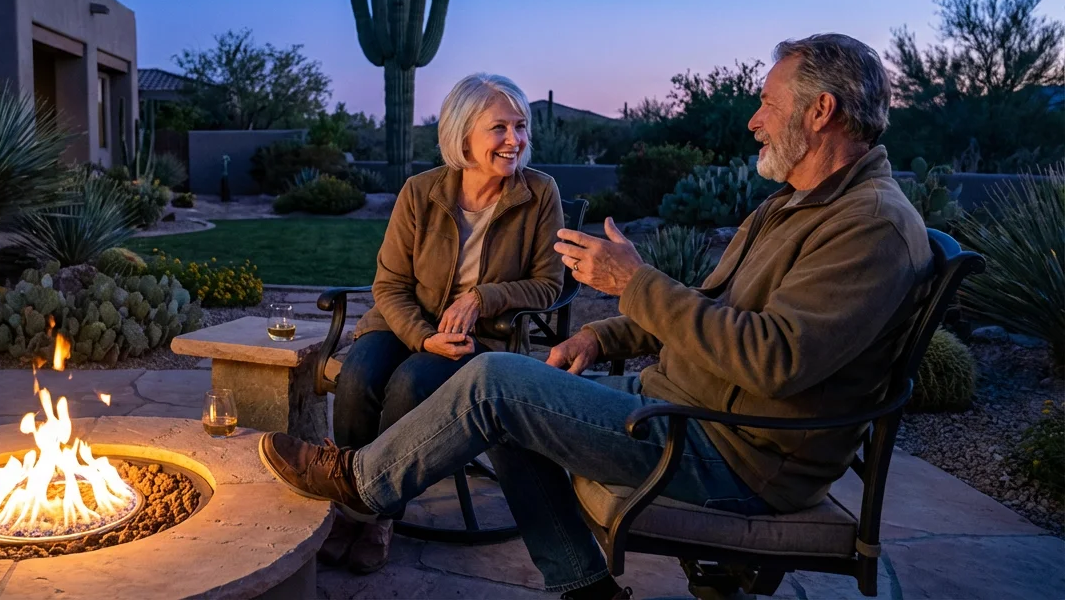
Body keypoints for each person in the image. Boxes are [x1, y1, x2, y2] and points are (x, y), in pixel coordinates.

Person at [257, 34, 934, 599]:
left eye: (766, 103)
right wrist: (600, 331)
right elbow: (717, 307)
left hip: (734, 449)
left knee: (496, 382)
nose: (755, 120)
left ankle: (362, 484)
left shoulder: (869, 226)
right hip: (684, 408)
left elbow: (773, 360)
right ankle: (585, 587)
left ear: (820, 111)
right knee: (506, 395)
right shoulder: (795, 204)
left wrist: (632, 281)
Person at [323, 73, 566, 573]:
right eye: (498, 127)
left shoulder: (539, 193)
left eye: (520, 126)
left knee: (410, 385)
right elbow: (388, 284)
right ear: (462, 135)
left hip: (479, 339)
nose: (514, 140)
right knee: (357, 379)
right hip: (402, 322)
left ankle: (378, 513)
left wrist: (483, 297)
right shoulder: (421, 192)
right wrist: (421, 335)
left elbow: (549, 285)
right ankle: (348, 506)